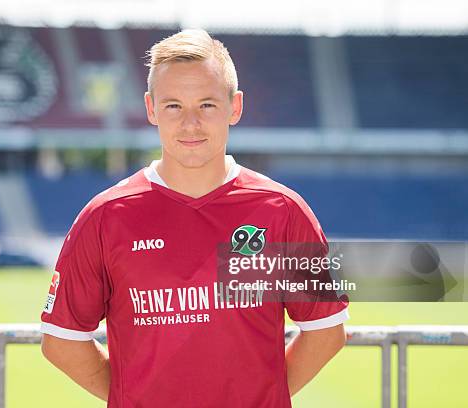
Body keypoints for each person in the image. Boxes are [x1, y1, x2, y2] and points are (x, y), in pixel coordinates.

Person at [40, 28, 349, 407]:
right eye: (173, 105)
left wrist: (261, 398)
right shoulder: (106, 216)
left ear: (234, 107)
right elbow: (62, 340)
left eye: (206, 104)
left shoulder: (281, 211)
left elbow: (325, 331)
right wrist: (137, 397)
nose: (190, 123)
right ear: (151, 109)